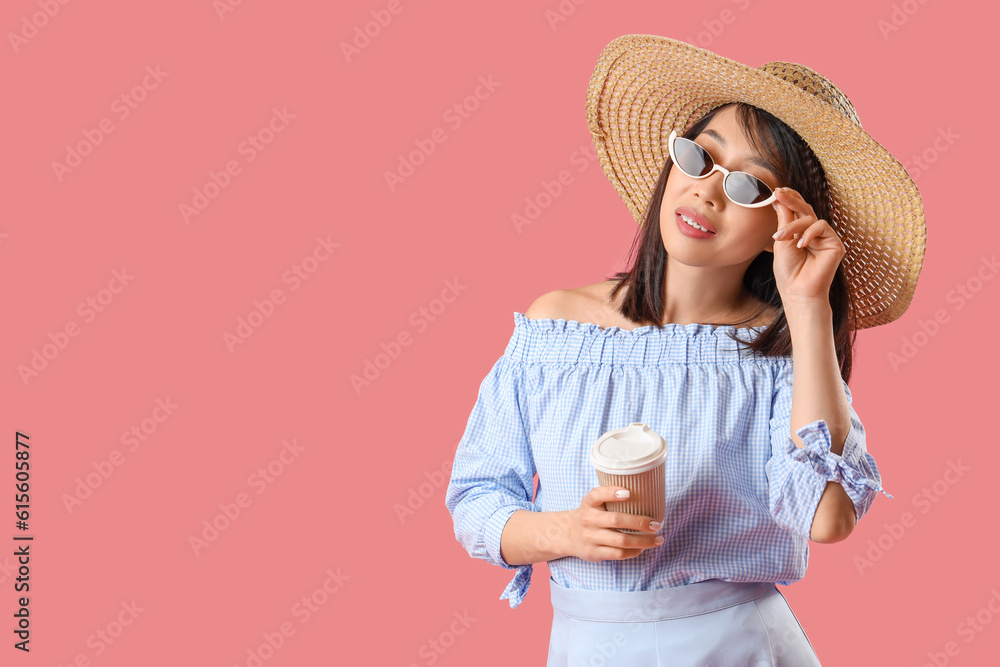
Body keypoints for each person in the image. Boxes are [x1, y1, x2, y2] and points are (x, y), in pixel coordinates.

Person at [445, 34, 926, 666]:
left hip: (740, 647)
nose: (707, 192)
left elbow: (827, 517)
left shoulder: (778, 356)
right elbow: (477, 495)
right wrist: (565, 530)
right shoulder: (556, 329)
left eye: (753, 188)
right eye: (700, 157)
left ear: (783, 229)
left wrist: (808, 310)